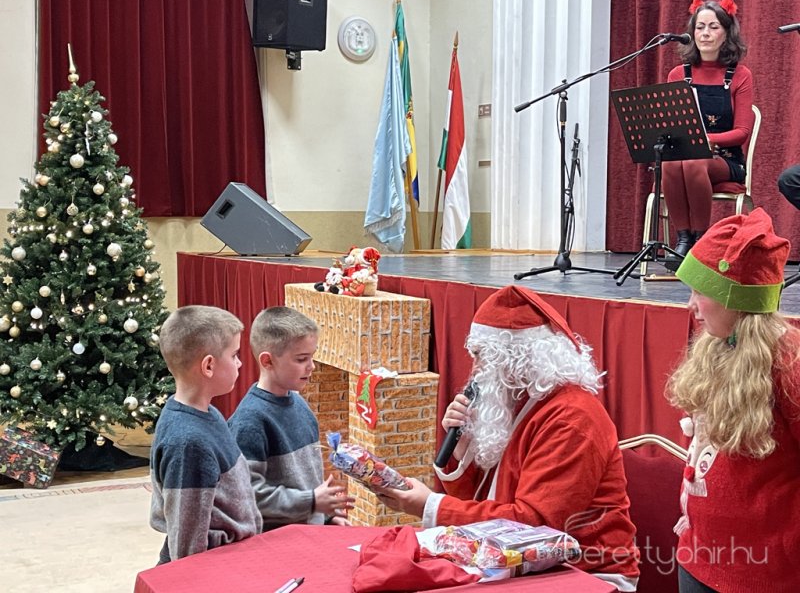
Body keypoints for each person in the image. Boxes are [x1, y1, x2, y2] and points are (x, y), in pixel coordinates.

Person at [376, 285, 639, 591]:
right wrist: (464, 449)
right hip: (519, 560)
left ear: (516, 359)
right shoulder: (517, 402)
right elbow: (484, 503)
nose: (475, 370)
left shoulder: (571, 418)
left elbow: (534, 526)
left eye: (481, 356)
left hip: (585, 572)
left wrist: (430, 506)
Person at [670, 208, 800, 592]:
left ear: (735, 300)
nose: (690, 306)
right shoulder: (715, 345)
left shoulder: (789, 364)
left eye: (701, 292)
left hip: (763, 575)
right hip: (698, 558)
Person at [149, 305, 262, 564]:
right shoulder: (189, 443)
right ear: (208, 365)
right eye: (234, 355)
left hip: (228, 559)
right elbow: (187, 547)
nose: (240, 363)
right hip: (210, 568)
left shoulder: (207, 413)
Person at [228, 306, 355, 531]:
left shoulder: (299, 404)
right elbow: (247, 495)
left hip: (309, 532)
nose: (311, 366)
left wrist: (326, 516)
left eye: (312, 357)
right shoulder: (250, 421)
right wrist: (312, 501)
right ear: (267, 361)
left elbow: (308, 480)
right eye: (301, 359)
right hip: (277, 542)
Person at [662, 0, 754, 269]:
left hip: (725, 159)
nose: (705, 33)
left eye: (713, 27)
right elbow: (673, 126)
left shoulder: (740, 75)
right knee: (670, 162)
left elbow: (742, 131)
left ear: (727, 33)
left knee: (693, 161)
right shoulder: (678, 74)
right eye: (700, 27)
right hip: (686, 156)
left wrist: (706, 140)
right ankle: (683, 238)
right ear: (691, 33)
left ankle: (702, 241)